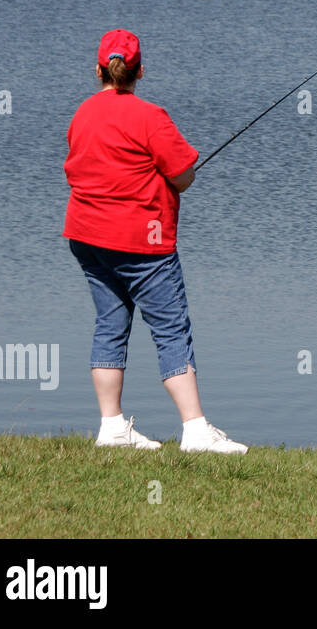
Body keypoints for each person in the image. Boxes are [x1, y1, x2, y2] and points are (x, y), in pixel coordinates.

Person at [63, 28, 247, 454]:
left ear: (98, 71)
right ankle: (195, 430)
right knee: (170, 329)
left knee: (109, 324)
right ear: (140, 71)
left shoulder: (82, 113)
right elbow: (182, 177)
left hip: (87, 236)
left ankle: (111, 427)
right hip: (142, 243)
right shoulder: (150, 116)